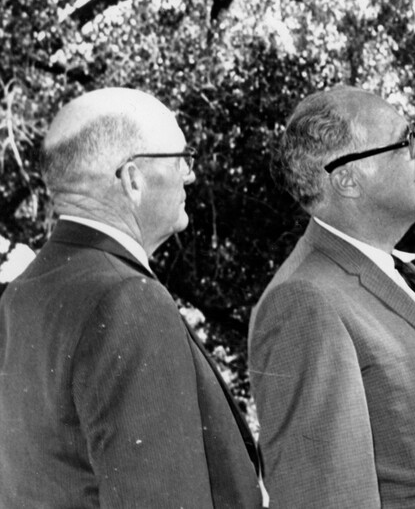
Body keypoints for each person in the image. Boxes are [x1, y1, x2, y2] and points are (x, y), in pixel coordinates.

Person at [249, 86, 415, 509]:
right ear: (347, 180)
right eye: (406, 141)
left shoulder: (396, 273)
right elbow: (323, 498)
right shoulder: (304, 300)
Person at [0, 87, 262, 508]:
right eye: (181, 159)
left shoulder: (23, 292)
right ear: (132, 179)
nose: (190, 175)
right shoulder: (126, 298)